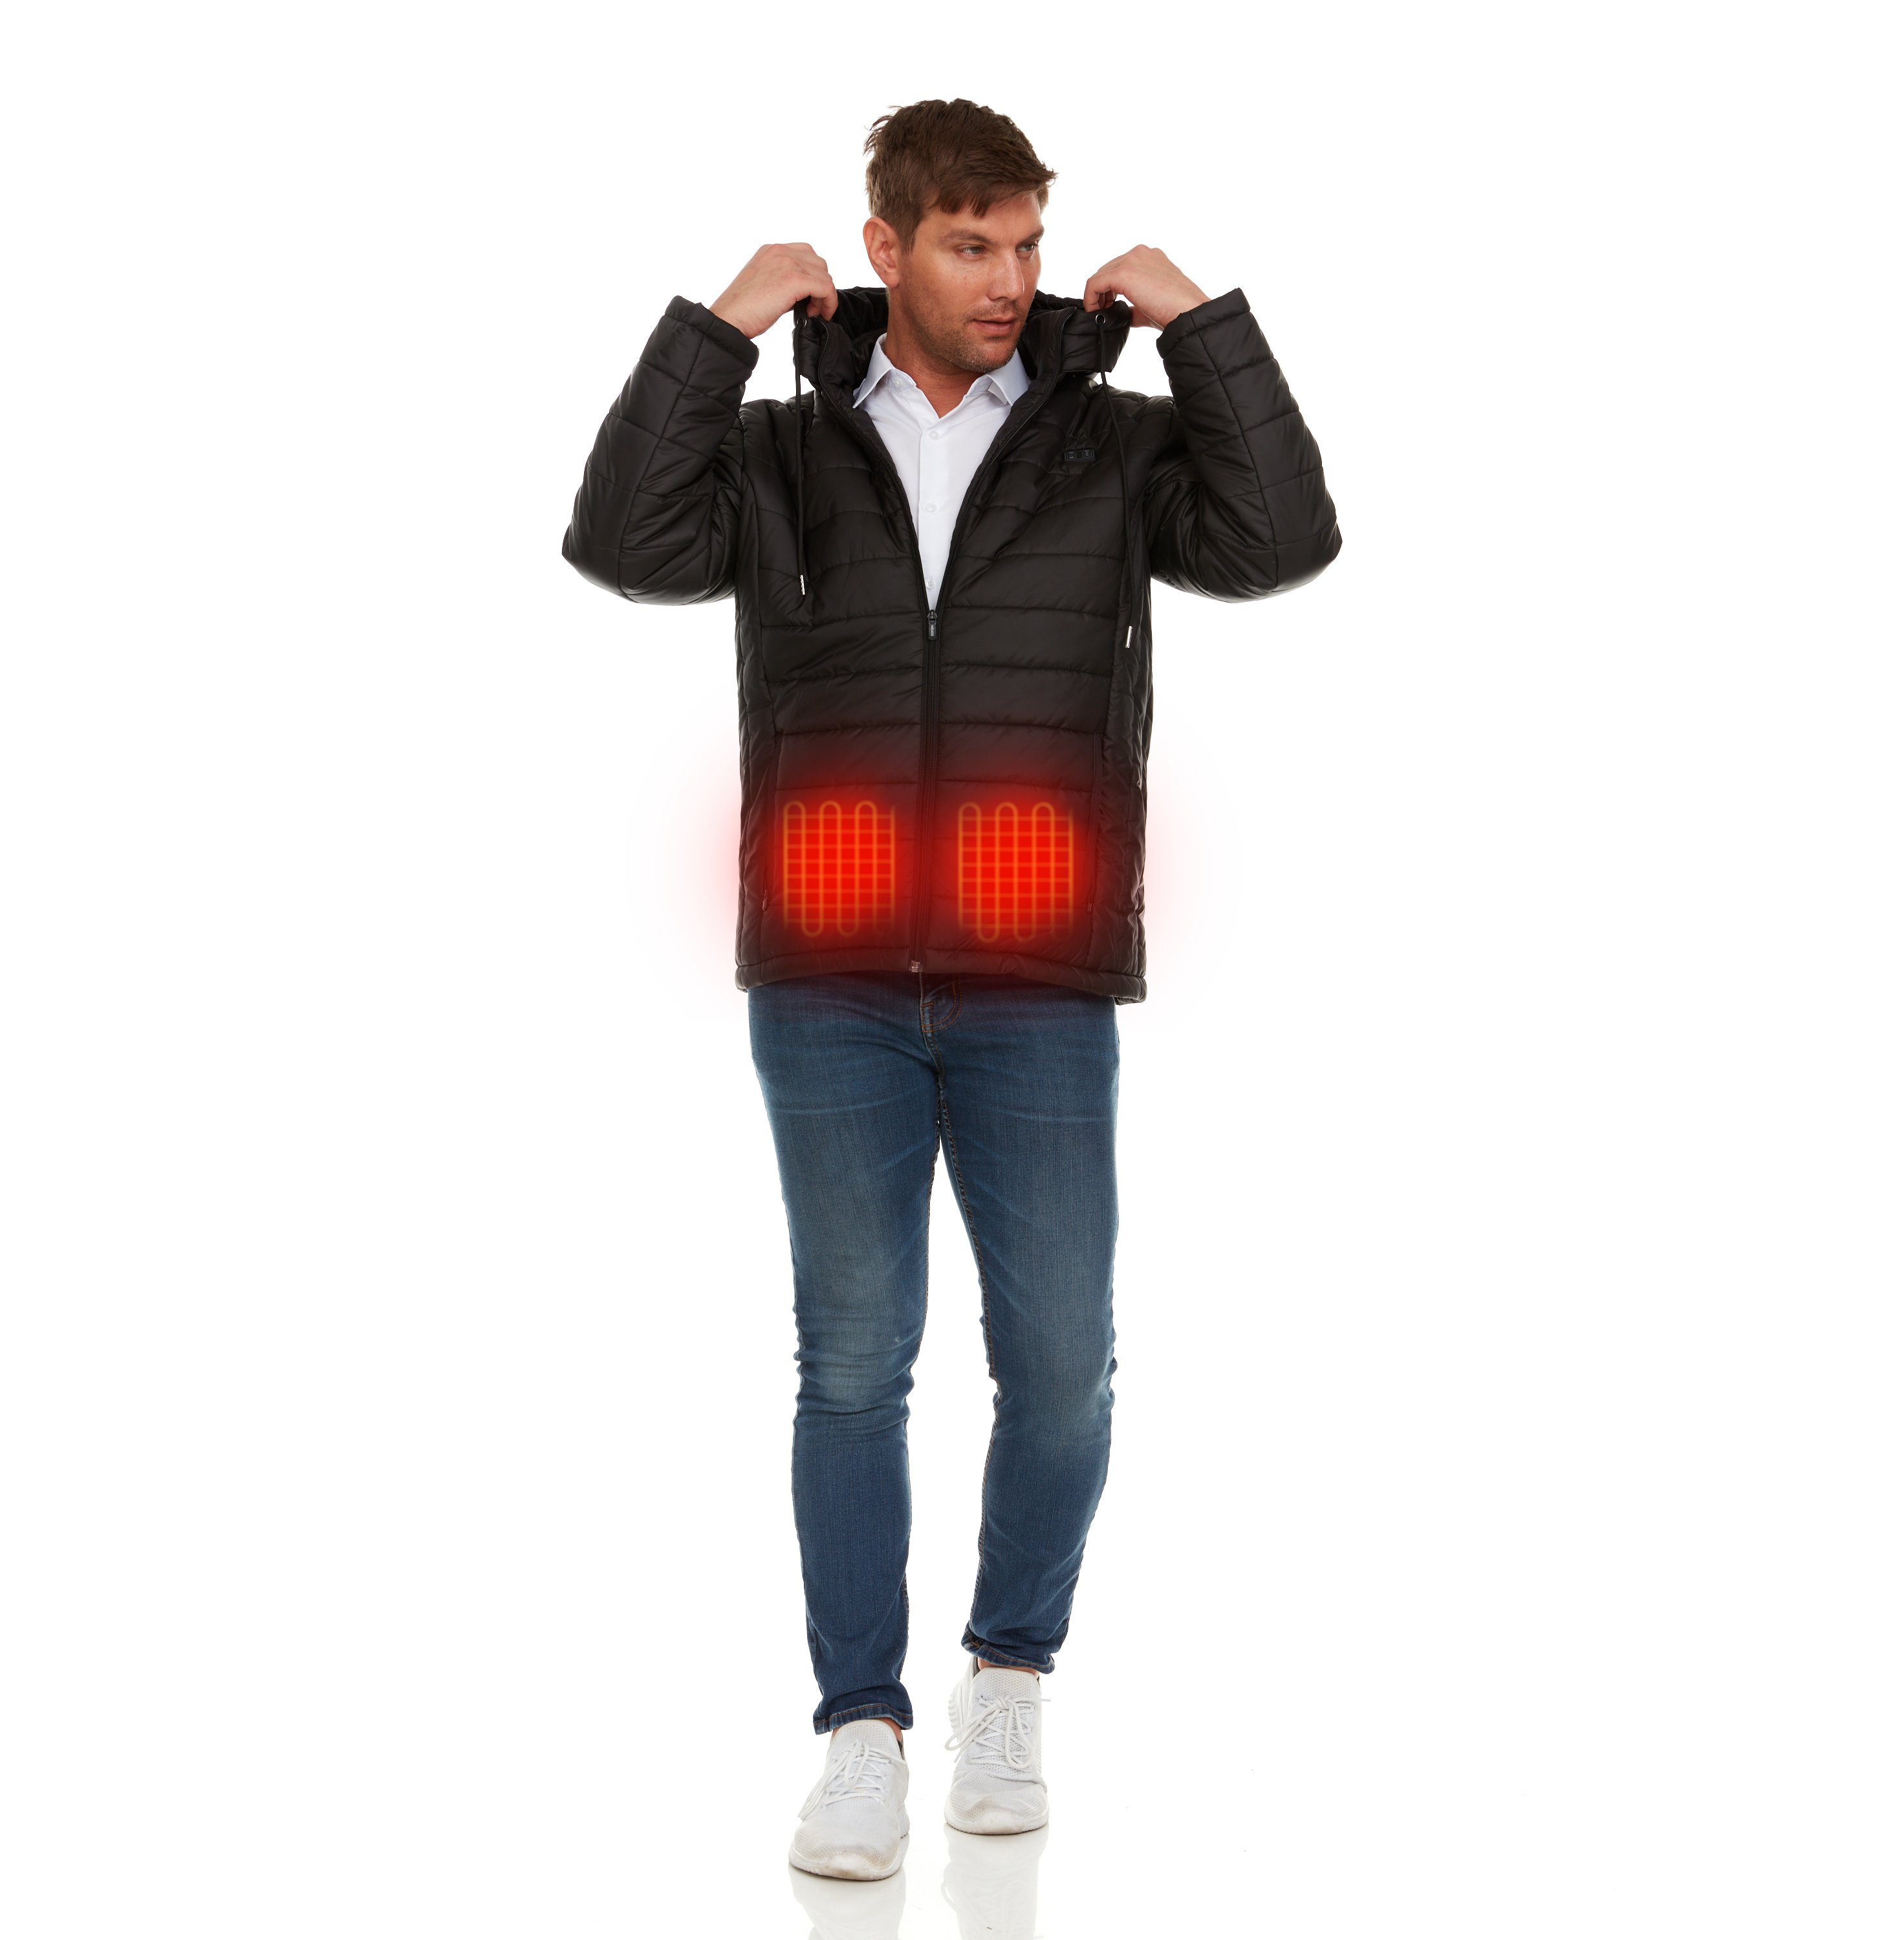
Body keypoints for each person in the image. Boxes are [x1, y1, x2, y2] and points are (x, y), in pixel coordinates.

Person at [562, 98, 1341, 1882]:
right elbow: (623, 547)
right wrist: (716, 329)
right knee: (853, 1363)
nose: (1010, 280)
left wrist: (1205, 325)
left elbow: (1282, 542)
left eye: (1028, 245)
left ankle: (1008, 1677)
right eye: (971, 244)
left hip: (1035, 968)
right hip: (828, 967)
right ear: (887, 247)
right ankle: (860, 1730)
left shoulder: (1110, 445)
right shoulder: (776, 451)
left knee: (1061, 1363)